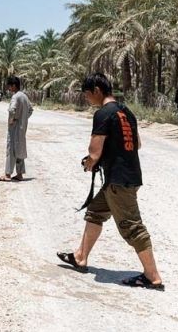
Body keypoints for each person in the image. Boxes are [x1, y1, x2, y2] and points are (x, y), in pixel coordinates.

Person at [56, 72, 164, 291]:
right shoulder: (127, 112)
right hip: (128, 176)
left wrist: (89, 163)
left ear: (97, 90)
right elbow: (137, 144)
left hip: (118, 181)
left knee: (132, 228)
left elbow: (94, 153)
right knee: (95, 212)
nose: (87, 99)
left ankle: (152, 277)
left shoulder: (103, 114)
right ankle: (80, 257)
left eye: (87, 95)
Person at [0, 76, 34, 182]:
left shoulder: (15, 97)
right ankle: (19, 174)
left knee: (11, 150)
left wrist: (12, 120)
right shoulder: (24, 96)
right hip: (22, 128)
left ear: (13, 85)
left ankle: (7, 174)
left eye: (9, 86)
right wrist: (23, 118)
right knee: (19, 149)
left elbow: (12, 110)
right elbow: (30, 110)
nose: (8, 88)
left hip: (15, 128)